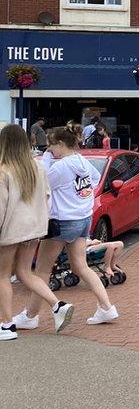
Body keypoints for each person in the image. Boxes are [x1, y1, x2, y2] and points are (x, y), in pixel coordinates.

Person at [22, 126, 118, 328]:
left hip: (62, 221)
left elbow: (42, 183)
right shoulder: (82, 160)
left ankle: (30, 316)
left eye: (51, 145)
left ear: (61, 144)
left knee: (41, 271)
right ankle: (107, 307)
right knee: (81, 267)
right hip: (83, 218)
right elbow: (93, 180)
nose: (49, 149)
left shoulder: (61, 166)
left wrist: (46, 159)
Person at [0, 126, 74, 340]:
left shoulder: (4, 170)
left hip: (10, 229)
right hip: (34, 228)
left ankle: (6, 325)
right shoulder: (38, 167)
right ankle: (57, 305)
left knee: (3, 276)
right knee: (25, 273)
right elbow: (47, 197)